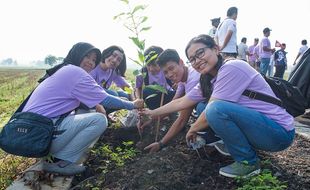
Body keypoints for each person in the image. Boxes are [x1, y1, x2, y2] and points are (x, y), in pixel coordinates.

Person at [23, 42, 144, 175]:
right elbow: (105, 99)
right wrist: (133, 105)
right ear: (77, 54)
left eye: (93, 60)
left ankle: (57, 156)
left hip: (32, 131)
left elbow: (124, 86)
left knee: (115, 96)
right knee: (99, 120)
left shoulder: (66, 69)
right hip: (39, 135)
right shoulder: (76, 72)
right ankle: (60, 162)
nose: (91, 63)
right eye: (87, 57)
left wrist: (132, 96)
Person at [184, 34, 294, 178]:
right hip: (262, 127)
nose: (197, 61)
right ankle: (229, 143)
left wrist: (192, 129)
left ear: (216, 49)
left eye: (200, 53)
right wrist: (151, 113)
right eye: (192, 59)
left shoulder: (232, 67)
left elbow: (213, 109)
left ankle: (248, 162)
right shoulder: (209, 78)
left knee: (214, 109)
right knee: (202, 106)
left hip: (279, 133)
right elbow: (182, 102)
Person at [139, 49, 218, 153]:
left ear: (180, 62)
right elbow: (174, 103)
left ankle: (218, 136)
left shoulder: (193, 79)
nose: (170, 74)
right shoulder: (183, 78)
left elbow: (182, 119)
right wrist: (153, 118)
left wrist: (161, 143)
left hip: (223, 108)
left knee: (201, 107)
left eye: (171, 68)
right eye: (165, 72)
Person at [135, 46, 175, 110]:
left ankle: (169, 112)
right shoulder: (142, 73)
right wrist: (138, 99)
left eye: (154, 65)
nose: (151, 69)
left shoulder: (167, 70)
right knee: (146, 91)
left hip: (168, 95)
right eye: (148, 65)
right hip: (152, 97)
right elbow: (138, 88)